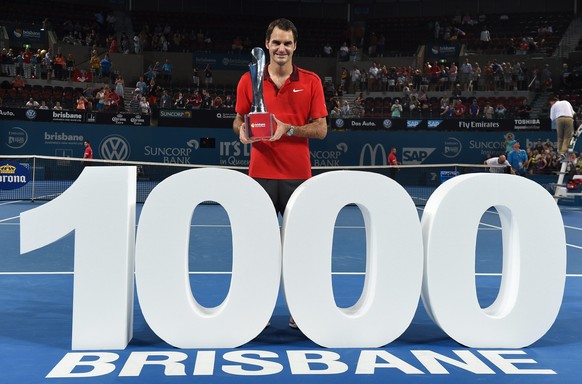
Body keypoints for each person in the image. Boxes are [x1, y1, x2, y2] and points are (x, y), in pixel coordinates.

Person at [232, 18, 327, 330]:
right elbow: (238, 120)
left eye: (287, 43)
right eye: (276, 42)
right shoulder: (249, 80)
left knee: (301, 250)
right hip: (259, 175)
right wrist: (242, 131)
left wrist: (290, 129)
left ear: (295, 46)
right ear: (268, 44)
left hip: (298, 178)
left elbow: (321, 129)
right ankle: (252, 313)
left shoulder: (311, 81)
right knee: (256, 249)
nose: (282, 48)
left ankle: (301, 311)